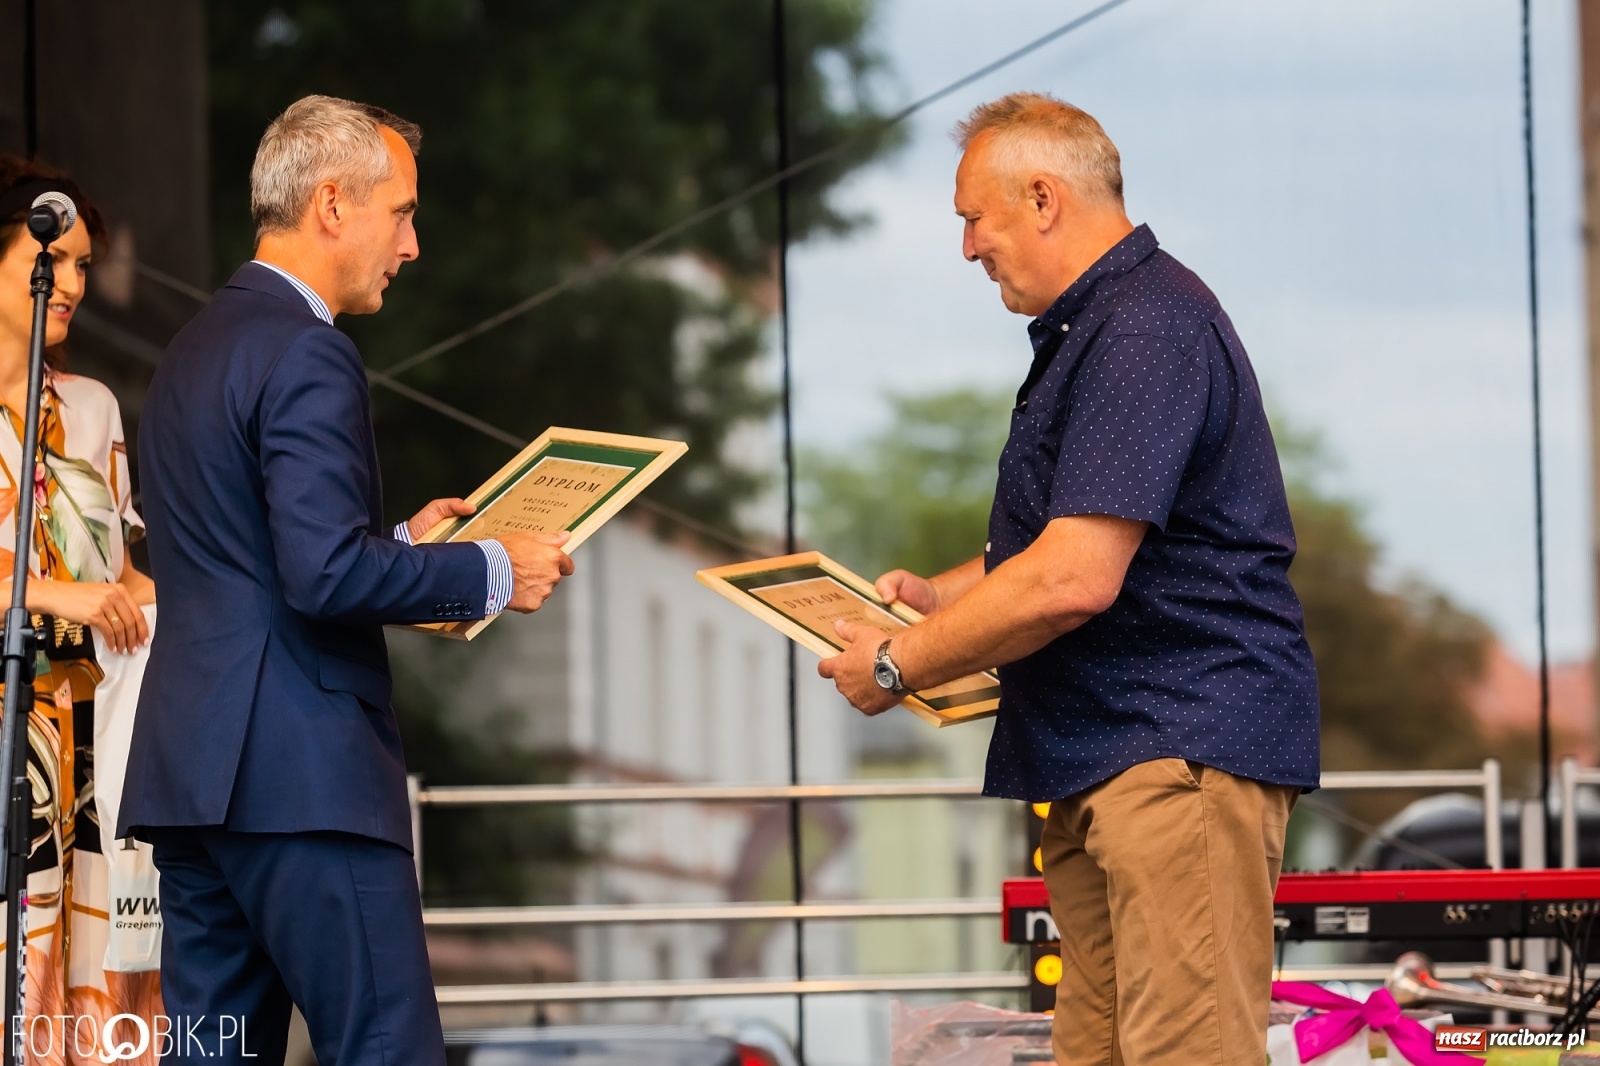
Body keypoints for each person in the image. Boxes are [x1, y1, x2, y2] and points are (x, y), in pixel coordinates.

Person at [819, 93, 1319, 1065]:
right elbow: (1066, 546)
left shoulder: (1142, 329)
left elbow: (1072, 578)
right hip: (1121, 755)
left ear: (1043, 198)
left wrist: (896, 663)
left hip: (1172, 752)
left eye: (974, 217)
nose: (967, 246)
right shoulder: (1114, 325)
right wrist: (941, 600)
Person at [119, 96, 573, 1064]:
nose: (411, 245)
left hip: (194, 781)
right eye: (401, 213)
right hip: (305, 778)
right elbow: (322, 574)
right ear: (332, 204)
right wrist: (493, 566)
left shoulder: (189, 352)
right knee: (384, 1047)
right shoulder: (310, 350)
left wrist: (404, 542)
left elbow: (254, 555)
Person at [0, 157, 161, 1061]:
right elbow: (81, 590)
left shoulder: (95, 408)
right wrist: (56, 594)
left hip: (97, 739)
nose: (71, 283)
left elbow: (125, 581)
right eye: (50, 258)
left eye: (83, 264)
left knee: (106, 991)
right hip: (8, 740)